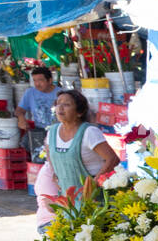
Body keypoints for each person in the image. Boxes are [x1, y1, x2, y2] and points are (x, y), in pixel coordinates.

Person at [34, 89, 119, 233]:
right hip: (69, 200)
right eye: (58, 104)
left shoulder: (89, 132)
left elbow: (112, 159)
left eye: (66, 104)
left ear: (79, 112)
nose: (60, 108)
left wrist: (94, 182)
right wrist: (55, 173)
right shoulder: (52, 132)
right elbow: (50, 155)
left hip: (95, 200)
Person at [15, 65, 58, 162]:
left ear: (50, 80)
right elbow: (19, 110)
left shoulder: (61, 93)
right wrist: (21, 119)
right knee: (25, 143)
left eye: (40, 80)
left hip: (56, 130)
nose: (37, 84)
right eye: (34, 80)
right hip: (39, 129)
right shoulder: (30, 92)